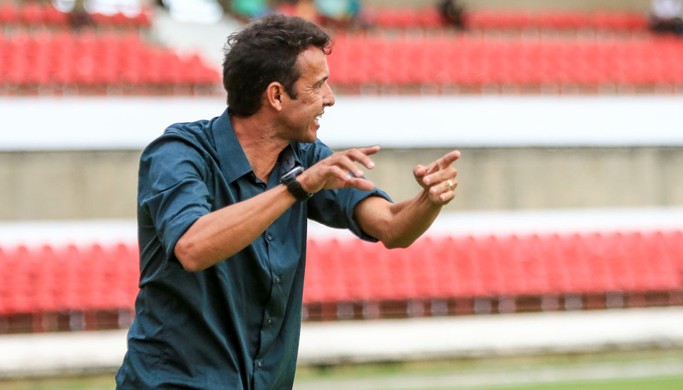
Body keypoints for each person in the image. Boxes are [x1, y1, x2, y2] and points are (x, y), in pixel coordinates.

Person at [115, 14, 460, 389]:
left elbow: (392, 227)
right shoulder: (178, 154)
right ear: (276, 96)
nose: (330, 99)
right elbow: (193, 247)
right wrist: (296, 188)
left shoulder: (306, 157)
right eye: (318, 86)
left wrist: (429, 200)